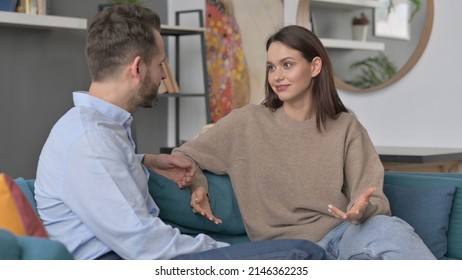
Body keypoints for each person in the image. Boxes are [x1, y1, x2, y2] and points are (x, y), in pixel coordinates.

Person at [34, 5, 326, 260]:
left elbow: (102, 174)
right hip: (120, 261)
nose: (163, 74)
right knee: (303, 255)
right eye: (160, 63)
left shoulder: (99, 131)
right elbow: (148, 247)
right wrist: (222, 251)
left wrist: (144, 160)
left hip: (132, 255)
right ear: (137, 68)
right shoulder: (91, 140)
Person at [172, 25, 436, 260]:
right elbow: (185, 156)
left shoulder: (346, 127)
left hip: (344, 236)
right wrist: (199, 185)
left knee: (389, 230)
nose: (276, 76)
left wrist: (362, 209)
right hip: (290, 251)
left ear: (315, 67)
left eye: (287, 65)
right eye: (271, 67)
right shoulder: (247, 123)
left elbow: (374, 197)